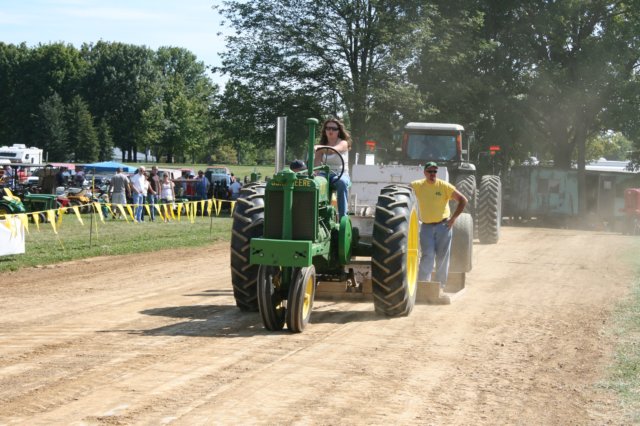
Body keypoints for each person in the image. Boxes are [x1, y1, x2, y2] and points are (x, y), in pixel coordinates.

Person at [410, 162, 468, 289]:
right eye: (430, 171)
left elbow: (463, 200)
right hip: (426, 227)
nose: (433, 174)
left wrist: (453, 219)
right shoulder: (418, 185)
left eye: (435, 171)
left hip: (444, 227)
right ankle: (423, 285)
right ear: (425, 173)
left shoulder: (444, 186)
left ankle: (440, 286)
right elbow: (405, 190)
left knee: (442, 257)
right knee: (428, 255)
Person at [314, 118, 351, 218]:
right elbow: (317, 162)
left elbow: (333, 151)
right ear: (324, 130)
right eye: (328, 128)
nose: (330, 131)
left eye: (334, 129)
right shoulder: (322, 145)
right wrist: (316, 172)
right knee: (313, 184)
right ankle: (317, 216)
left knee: (341, 182)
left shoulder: (343, 143)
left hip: (340, 174)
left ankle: (343, 216)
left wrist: (318, 148)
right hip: (324, 174)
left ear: (338, 131)